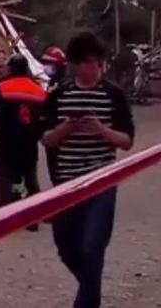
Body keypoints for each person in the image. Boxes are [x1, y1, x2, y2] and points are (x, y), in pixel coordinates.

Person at [42, 32, 135, 308]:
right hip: (66, 182)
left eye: (95, 62)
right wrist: (64, 129)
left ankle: (85, 303)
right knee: (66, 247)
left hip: (101, 181)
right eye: (84, 62)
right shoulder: (58, 95)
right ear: (76, 64)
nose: (92, 67)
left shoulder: (114, 95)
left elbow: (127, 141)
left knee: (93, 247)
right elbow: (46, 138)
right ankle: (90, 292)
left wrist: (101, 130)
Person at [0, 54, 47, 217]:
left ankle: (6, 211)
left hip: (6, 139)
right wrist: (36, 133)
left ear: (10, 68)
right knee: (30, 175)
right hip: (29, 140)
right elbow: (44, 117)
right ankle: (35, 214)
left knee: (6, 174)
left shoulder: (2, 86)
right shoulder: (37, 88)